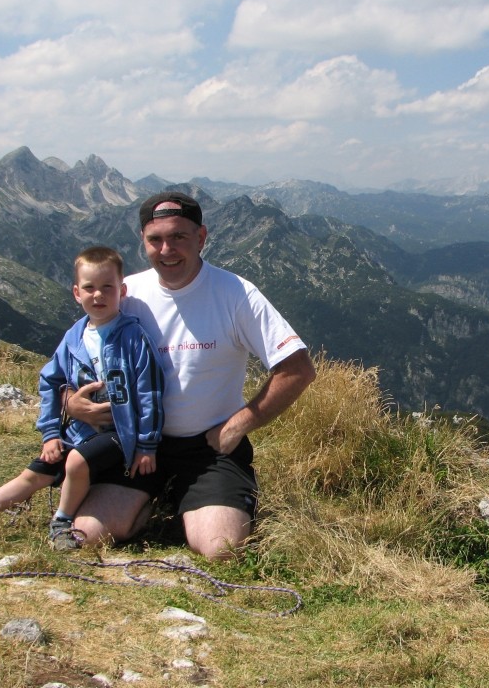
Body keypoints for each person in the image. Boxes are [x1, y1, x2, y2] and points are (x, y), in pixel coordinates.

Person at [66, 191, 316, 560]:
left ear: (201, 238)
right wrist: (72, 404)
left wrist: (238, 425)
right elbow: (70, 361)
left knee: (222, 550)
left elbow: (298, 369)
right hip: (134, 443)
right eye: (155, 240)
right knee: (84, 536)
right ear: (143, 241)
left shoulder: (236, 294)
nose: (167, 250)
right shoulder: (123, 293)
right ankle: (160, 500)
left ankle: (183, 501)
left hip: (208, 449)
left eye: (179, 237)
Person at [0, 246, 164, 550]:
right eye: (89, 288)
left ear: (122, 290)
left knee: (77, 462)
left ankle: (62, 522)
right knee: (37, 471)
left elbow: (150, 390)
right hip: (79, 432)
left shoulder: (133, 337)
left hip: (121, 433)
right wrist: (51, 434)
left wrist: (147, 444)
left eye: (107, 287)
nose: (98, 295)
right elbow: (50, 381)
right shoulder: (73, 337)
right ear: (76, 293)